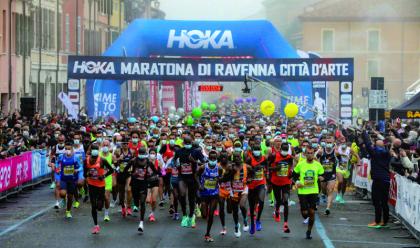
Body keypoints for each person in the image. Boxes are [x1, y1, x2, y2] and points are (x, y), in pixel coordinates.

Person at [293, 147, 324, 239]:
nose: (310, 154)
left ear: (313, 154)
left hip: (313, 191)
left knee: (312, 212)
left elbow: (323, 174)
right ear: (305, 154)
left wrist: (322, 177)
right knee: (305, 212)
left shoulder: (318, 165)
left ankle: (309, 231)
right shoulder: (300, 164)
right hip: (302, 191)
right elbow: (293, 176)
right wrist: (297, 182)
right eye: (308, 153)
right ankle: (305, 215)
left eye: (311, 153)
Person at [362, 129, 391, 228]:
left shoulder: (375, 153)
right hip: (386, 179)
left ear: (376, 146)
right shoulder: (387, 153)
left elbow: (367, 142)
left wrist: (364, 132)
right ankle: (385, 221)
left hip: (378, 180)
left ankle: (377, 221)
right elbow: (388, 142)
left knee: (376, 201)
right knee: (384, 201)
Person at [84, 144, 114, 234]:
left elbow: (111, 170)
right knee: (93, 206)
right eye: (93, 149)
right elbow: (84, 174)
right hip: (91, 184)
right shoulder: (86, 160)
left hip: (101, 185)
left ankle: (100, 206)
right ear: (90, 151)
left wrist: (103, 176)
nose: (95, 151)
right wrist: (88, 175)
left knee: (99, 206)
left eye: (97, 149)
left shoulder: (102, 160)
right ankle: (96, 225)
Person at [268, 142, 293, 233]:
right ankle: (277, 210)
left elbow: (291, 167)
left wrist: (291, 174)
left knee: (285, 201)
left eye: (287, 150)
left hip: (286, 182)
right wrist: (275, 169)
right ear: (280, 149)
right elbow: (267, 167)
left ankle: (285, 224)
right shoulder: (274, 156)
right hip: (275, 182)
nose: (285, 152)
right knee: (278, 200)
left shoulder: (290, 157)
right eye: (284, 150)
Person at [245, 145, 268, 234]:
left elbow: (267, 168)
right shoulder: (249, 159)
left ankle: (258, 220)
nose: (257, 151)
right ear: (252, 150)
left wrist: (267, 173)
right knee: (251, 206)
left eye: (258, 149)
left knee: (261, 201)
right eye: (255, 149)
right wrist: (253, 172)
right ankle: (252, 224)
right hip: (251, 184)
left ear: (261, 150)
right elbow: (245, 169)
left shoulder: (264, 158)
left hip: (261, 183)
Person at [57, 142, 83, 218]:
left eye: (69, 149)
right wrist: (57, 169)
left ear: (72, 149)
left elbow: (81, 166)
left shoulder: (76, 157)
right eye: (66, 149)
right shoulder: (61, 156)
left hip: (73, 179)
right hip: (64, 179)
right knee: (62, 193)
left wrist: (77, 170)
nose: (67, 150)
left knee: (70, 197)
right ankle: (63, 200)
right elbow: (57, 164)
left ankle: (68, 211)